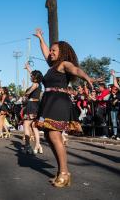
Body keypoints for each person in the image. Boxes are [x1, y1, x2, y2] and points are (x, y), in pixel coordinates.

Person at [34, 28, 96, 188]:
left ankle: (64, 172)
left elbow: (75, 69)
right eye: (51, 50)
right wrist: (40, 38)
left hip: (59, 102)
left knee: (54, 136)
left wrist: (88, 78)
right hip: (49, 101)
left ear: (61, 53)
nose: (51, 53)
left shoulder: (64, 64)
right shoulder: (52, 66)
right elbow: (45, 52)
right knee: (48, 136)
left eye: (54, 51)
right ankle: (62, 171)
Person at [23, 62, 43, 154]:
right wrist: (28, 68)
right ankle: (38, 145)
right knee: (34, 126)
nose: (30, 77)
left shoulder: (35, 84)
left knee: (26, 124)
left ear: (35, 77)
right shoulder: (39, 83)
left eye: (32, 76)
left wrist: (26, 94)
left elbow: (28, 92)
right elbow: (33, 74)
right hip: (36, 105)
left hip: (32, 105)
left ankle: (27, 146)